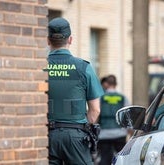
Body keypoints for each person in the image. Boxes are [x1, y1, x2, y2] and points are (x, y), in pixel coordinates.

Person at [46, 17, 104, 165]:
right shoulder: (83, 67)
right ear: (70, 39)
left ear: (48, 40)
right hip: (76, 137)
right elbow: (95, 110)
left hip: (45, 136)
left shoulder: (39, 66)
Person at [98, 75, 129, 165]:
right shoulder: (122, 98)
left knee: (105, 158)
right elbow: (128, 115)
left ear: (107, 84)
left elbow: (96, 113)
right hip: (120, 133)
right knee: (122, 158)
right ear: (116, 84)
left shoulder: (101, 98)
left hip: (104, 133)